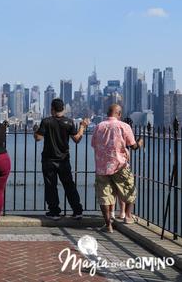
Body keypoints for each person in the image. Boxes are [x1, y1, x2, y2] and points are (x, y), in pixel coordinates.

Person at [34, 99, 89, 220]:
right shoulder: (69, 122)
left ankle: (54, 212)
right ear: (63, 109)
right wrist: (82, 127)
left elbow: (38, 138)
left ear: (52, 109)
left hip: (48, 160)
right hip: (64, 160)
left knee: (51, 186)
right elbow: (77, 140)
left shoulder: (46, 121)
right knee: (69, 185)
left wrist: (35, 130)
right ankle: (77, 210)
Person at [91, 104, 143, 233]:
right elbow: (133, 145)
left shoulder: (99, 126)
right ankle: (128, 216)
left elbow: (94, 144)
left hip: (102, 166)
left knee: (104, 195)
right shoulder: (124, 126)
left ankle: (108, 225)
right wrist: (140, 142)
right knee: (129, 190)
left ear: (108, 113)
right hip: (120, 165)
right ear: (119, 114)